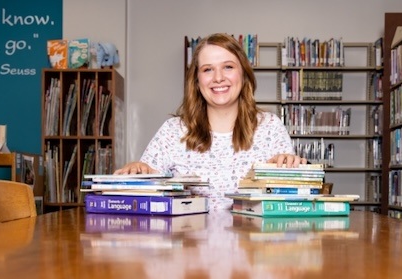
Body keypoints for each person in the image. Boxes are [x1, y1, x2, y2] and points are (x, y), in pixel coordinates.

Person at [114, 33, 307, 210]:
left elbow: (289, 201)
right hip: (188, 244)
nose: (218, 78)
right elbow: (146, 190)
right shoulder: (172, 131)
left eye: (228, 67)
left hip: (252, 244)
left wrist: (288, 169)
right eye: (208, 70)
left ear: (244, 74)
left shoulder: (270, 127)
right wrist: (137, 172)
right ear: (197, 81)